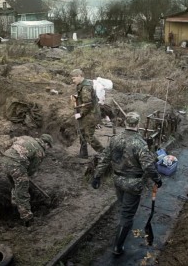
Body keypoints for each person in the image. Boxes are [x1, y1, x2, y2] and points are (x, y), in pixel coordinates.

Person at [91, 112, 163, 256]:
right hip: (133, 184)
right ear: (137, 125)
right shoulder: (140, 143)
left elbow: (104, 159)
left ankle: (122, 225)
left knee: (123, 206)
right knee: (127, 215)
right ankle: (117, 248)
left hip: (117, 180)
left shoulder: (115, 139)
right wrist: (157, 179)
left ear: (125, 123)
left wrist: (97, 176)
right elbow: (148, 166)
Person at [0, 134, 53, 226]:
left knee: (15, 184)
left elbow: (7, 144)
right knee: (22, 192)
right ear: (46, 144)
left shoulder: (26, 137)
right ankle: (27, 218)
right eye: (49, 147)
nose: (48, 149)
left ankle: (15, 203)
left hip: (4, 161)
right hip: (16, 166)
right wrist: (25, 176)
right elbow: (32, 169)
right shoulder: (40, 151)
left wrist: (9, 155)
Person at [71, 69, 104, 158]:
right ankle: (83, 153)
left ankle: (103, 152)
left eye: (74, 78)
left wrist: (80, 114)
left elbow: (88, 104)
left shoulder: (86, 87)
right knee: (81, 132)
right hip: (86, 113)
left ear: (79, 76)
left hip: (90, 114)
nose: (73, 81)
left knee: (89, 136)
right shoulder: (81, 85)